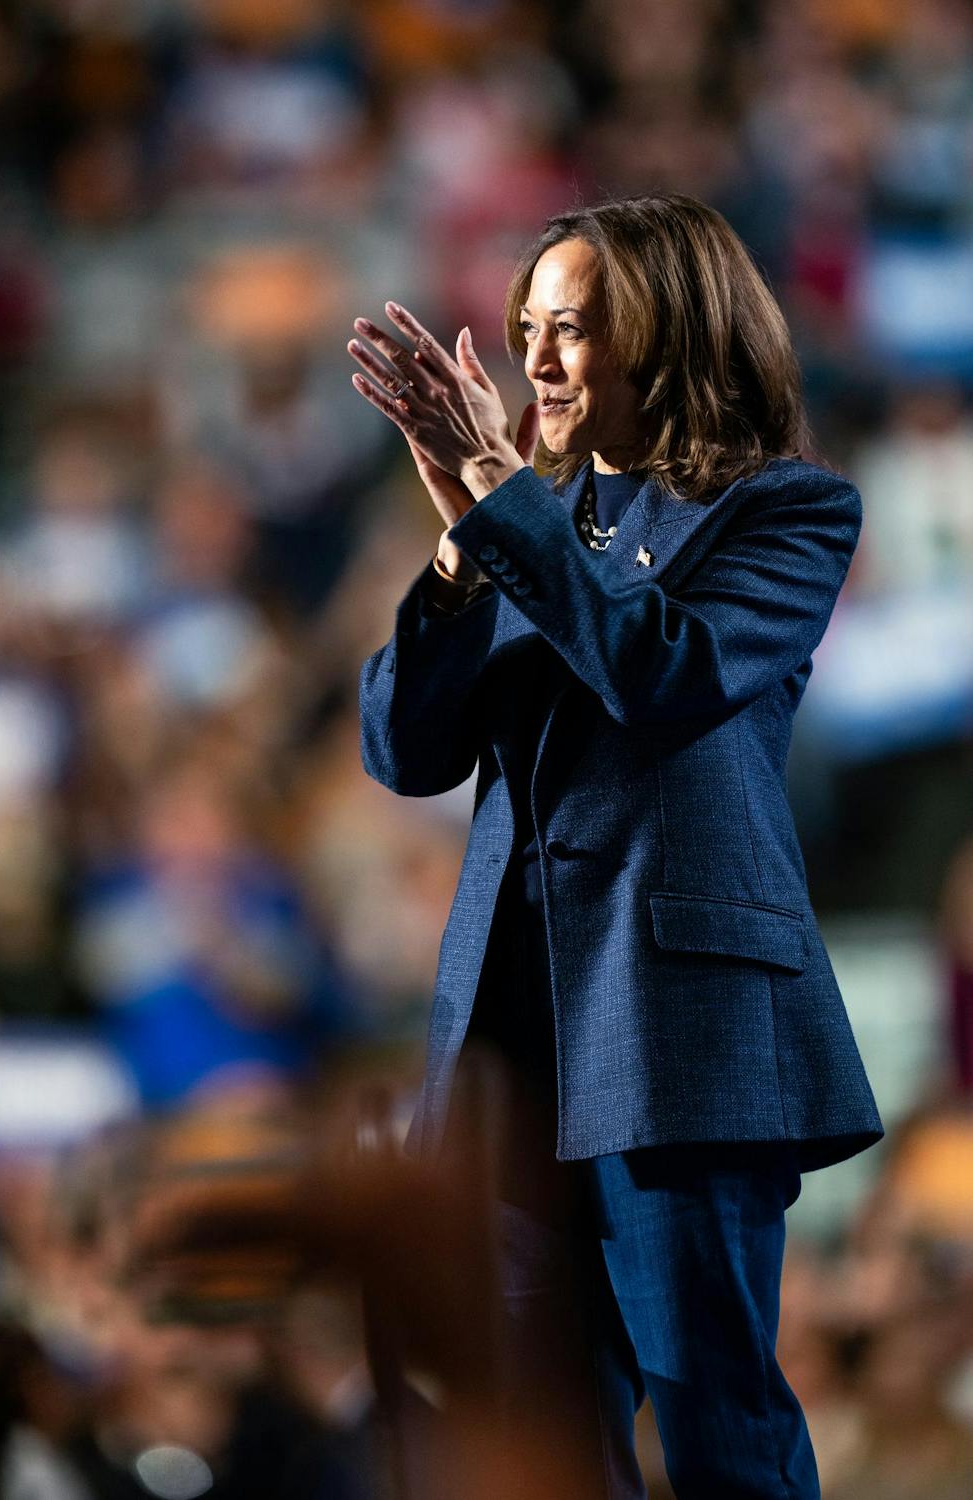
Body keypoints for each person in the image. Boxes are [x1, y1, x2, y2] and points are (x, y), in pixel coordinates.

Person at [352, 194, 884, 1500]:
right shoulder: (527, 530)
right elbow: (401, 750)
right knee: (539, 1445)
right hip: (510, 1048)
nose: (534, 360)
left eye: (571, 329)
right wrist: (460, 551)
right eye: (525, 327)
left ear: (669, 337)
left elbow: (661, 674)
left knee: (718, 1432)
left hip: (677, 1035)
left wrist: (498, 503)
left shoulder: (785, 511)